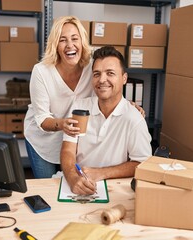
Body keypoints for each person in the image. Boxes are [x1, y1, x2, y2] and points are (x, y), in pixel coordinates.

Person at [24, 16, 145, 179]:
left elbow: (108, 85)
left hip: (73, 139)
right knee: (48, 187)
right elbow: (42, 118)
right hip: (44, 139)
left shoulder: (92, 67)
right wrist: (62, 124)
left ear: (82, 42)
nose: (70, 45)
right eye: (62, 40)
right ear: (55, 45)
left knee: (69, 181)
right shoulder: (42, 71)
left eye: (75, 38)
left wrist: (127, 105)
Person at [60, 46, 152, 195]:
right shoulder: (80, 108)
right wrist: (72, 178)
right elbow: (68, 150)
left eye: (110, 73)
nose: (102, 80)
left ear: (124, 79)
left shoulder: (134, 119)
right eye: (97, 74)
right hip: (78, 183)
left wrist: (101, 173)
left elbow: (142, 164)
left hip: (114, 189)